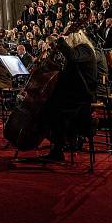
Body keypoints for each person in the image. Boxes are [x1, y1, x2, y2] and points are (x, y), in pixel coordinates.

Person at [41, 27, 98, 161]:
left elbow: (72, 57)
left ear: (74, 37)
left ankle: (61, 146)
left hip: (83, 94)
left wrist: (61, 40)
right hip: (76, 92)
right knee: (51, 105)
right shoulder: (79, 50)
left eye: (68, 38)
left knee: (53, 108)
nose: (66, 40)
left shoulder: (85, 49)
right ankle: (62, 143)